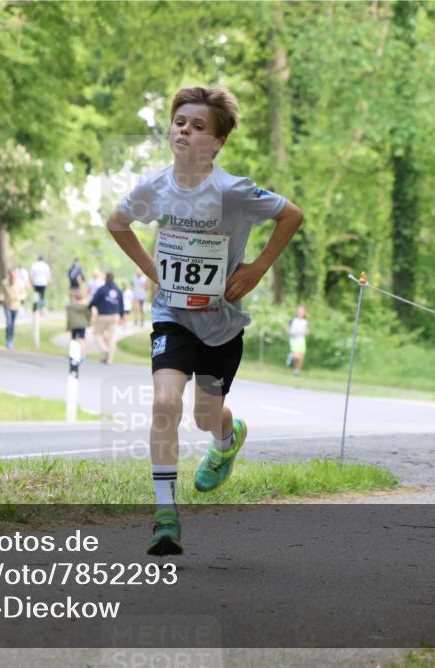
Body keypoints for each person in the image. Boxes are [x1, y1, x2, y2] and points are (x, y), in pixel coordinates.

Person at [106, 85, 304, 556]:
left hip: (221, 323)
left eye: (199, 127)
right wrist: (150, 270)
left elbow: (291, 216)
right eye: (180, 123)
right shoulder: (154, 186)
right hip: (172, 314)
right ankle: (165, 515)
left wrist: (256, 269)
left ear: (217, 143)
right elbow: (117, 223)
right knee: (164, 404)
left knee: (204, 414)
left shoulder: (233, 191)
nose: (186, 131)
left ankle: (226, 437)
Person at [88, 272, 127, 365]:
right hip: (115, 316)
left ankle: (105, 351)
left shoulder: (101, 289)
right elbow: (121, 304)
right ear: (113, 279)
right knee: (112, 338)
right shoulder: (118, 290)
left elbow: (94, 301)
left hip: (103, 315)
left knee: (97, 334)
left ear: (106, 279)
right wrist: (121, 316)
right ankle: (109, 359)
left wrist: (89, 307)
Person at [0, 269, 27, 350]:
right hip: (7, 305)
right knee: (8, 323)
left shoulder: (19, 284)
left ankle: (10, 340)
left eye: (14, 276)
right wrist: (1, 298)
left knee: (13, 325)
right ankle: (7, 340)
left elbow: (24, 293)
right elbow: (1, 292)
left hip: (16, 306)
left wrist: (19, 298)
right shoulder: (5, 283)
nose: (13, 278)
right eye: (12, 276)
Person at [66, 289, 92, 359]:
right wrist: (89, 323)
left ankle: (72, 355)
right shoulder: (85, 307)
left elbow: (69, 317)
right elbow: (89, 315)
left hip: (73, 325)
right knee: (82, 339)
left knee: (73, 340)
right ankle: (83, 355)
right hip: (82, 325)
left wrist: (68, 327)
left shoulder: (70, 307)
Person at [287, 305, 309, 376]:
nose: (300, 313)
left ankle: (297, 370)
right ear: (297, 312)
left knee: (301, 357)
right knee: (296, 356)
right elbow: (287, 327)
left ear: (304, 313)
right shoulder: (293, 320)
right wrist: (291, 332)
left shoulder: (305, 321)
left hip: (301, 340)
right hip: (294, 340)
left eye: (302, 311)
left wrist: (305, 333)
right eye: (299, 311)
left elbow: (307, 331)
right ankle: (290, 357)